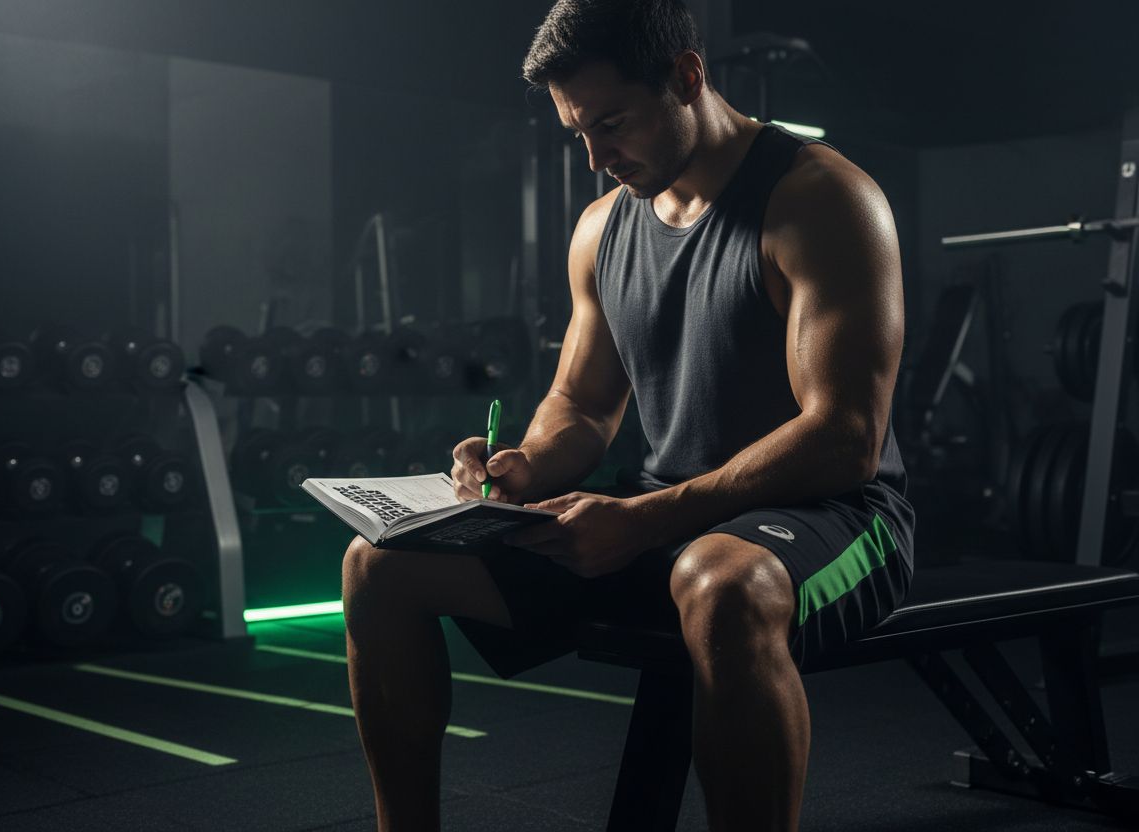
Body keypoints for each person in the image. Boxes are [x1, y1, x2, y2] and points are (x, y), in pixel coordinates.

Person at [340, 1, 915, 829]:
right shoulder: (602, 229)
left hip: (834, 518)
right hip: (662, 522)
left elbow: (846, 438)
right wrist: (525, 465)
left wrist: (646, 520)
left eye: (611, 125)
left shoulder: (821, 201)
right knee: (377, 565)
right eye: (577, 133)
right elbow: (580, 404)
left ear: (686, 76)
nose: (595, 159)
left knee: (721, 583)